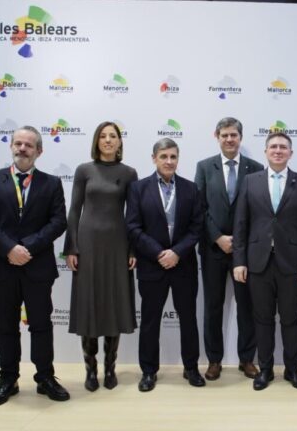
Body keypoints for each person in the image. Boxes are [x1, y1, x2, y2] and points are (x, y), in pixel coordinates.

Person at [0, 125, 69, 407]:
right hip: (1, 265)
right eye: (18, 143)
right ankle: (8, 380)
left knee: (41, 325)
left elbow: (58, 222)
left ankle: (45, 378)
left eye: (29, 145)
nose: (22, 149)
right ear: (11, 146)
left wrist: (26, 247)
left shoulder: (52, 183)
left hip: (37, 265)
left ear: (39, 151)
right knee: (5, 324)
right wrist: (9, 248)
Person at [233, 132, 297, 391]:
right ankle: (266, 370)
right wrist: (239, 261)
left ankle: (292, 370)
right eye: (273, 147)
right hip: (257, 263)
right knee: (262, 319)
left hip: (292, 265)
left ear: (291, 153)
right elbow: (241, 224)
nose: (278, 151)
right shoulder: (250, 181)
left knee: (291, 319)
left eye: (283, 147)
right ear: (266, 151)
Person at [126, 138, 205, 392]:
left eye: (173, 157)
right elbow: (133, 227)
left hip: (183, 265)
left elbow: (197, 227)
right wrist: (160, 253)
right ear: (154, 159)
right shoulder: (138, 189)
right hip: (152, 265)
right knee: (150, 321)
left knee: (188, 319)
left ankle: (191, 368)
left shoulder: (191, 189)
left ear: (178, 159)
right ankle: (149, 371)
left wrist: (177, 253)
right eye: (164, 157)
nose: (169, 161)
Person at [64, 121, 138, 392]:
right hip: (88, 244)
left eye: (113, 136)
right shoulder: (84, 170)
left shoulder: (129, 173)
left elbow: (134, 215)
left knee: (114, 303)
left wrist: (133, 249)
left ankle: (110, 369)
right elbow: (74, 210)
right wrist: (71, 247)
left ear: (119, 142)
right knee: (88, 304)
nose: (108, 140)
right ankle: (90, 370)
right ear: (96, 141)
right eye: (103, 136)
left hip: (117, 245)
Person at [194, 117, 263, 381]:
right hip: (213, 249)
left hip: (244, 252)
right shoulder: (204, 167)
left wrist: (238, 241)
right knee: (213, 307)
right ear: (217, 136)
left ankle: (247, 359)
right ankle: (214, 360)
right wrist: (217, 237)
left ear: (240, 138)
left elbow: (258, 210)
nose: (229, 139)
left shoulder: (255, 168)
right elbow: (199, 208)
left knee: (247, 306)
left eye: (234, 135)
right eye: (225, 135)